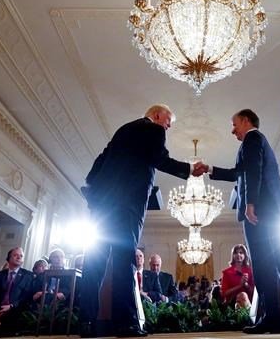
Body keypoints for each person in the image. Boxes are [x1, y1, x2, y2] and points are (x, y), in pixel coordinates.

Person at [78, 104, 205, 338]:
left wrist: (92, 188)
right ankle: (125, 324)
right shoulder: (154, 130)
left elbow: (100, 160)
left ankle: (85, 323)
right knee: (124, 261)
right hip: (127, 206)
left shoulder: (124, 129)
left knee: (94, 262)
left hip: (103, 205)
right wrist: (189, 169)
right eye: (168, 121)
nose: (168, 126)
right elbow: (160, 159)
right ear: (157, 115)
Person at [207, 109, 280, 334]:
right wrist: (209, 169)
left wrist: (250, 203)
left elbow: (253, 171)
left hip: (260, 213)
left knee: (264, 266)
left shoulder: (252, 138)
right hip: (275, 212)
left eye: (234, 124)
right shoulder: (259, 141)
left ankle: (272, 319)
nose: (233, 130)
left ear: (246, 121)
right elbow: (239, 173)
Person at [0, 247, 33, 336]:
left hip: (15, 309)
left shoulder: (28, 276)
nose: (19, 257)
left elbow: (26, 296)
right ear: (8, 258)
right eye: (15, 255)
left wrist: (11, 306)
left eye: (21, 256)